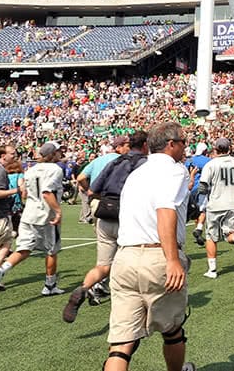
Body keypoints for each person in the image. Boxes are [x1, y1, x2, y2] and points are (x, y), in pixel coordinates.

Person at [103, 121, 194, 371]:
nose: (186, 147)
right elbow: (165, 210)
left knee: (121, 344)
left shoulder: (137, 173)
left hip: (125, 257)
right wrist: (173, 259)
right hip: (157, 255)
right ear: (171, 144)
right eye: (184, 142)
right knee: (173, 330)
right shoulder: (174, 170)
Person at [63, 130, 149, 323]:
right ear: (145, 146)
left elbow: (92, 190)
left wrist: (109, 200)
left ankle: (84, 288)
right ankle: (138, 307)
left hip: (104, 216)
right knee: (136, 264)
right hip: (128, 219)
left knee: (103, 266)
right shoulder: (144, 164)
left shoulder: (115, 162)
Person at [0, 141, 65, 296]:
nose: (60, 154)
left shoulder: (30, 170)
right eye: (58, 151)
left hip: (28, 214)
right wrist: (57, 211)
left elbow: (24, 194)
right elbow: (47, 192)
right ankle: (50, 285)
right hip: (45, 215)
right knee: (52, 250)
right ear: (52, 154)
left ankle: (0, 271)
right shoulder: (55, 169)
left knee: (23, 249)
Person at [197, 138, 234, 279]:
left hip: (216, 203)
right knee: (230, 233)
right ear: (229, 149)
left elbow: (203, 187)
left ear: (215, 149)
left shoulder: (211, 164)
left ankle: (212, 270)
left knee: (211, 237)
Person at [78, 137, 130, 223]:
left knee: (100, 233)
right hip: (115, 202)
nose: (129, 149)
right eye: (128, 146)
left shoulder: (98, 160)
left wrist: (88, 190)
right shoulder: (124, 160)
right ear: (119, 147)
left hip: (96, 201)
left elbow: (80, 178)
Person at [0, 145, 19, 285]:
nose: (15, 155)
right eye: (12, 153)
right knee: (5, 244)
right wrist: (16, 190)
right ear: (3, 156)